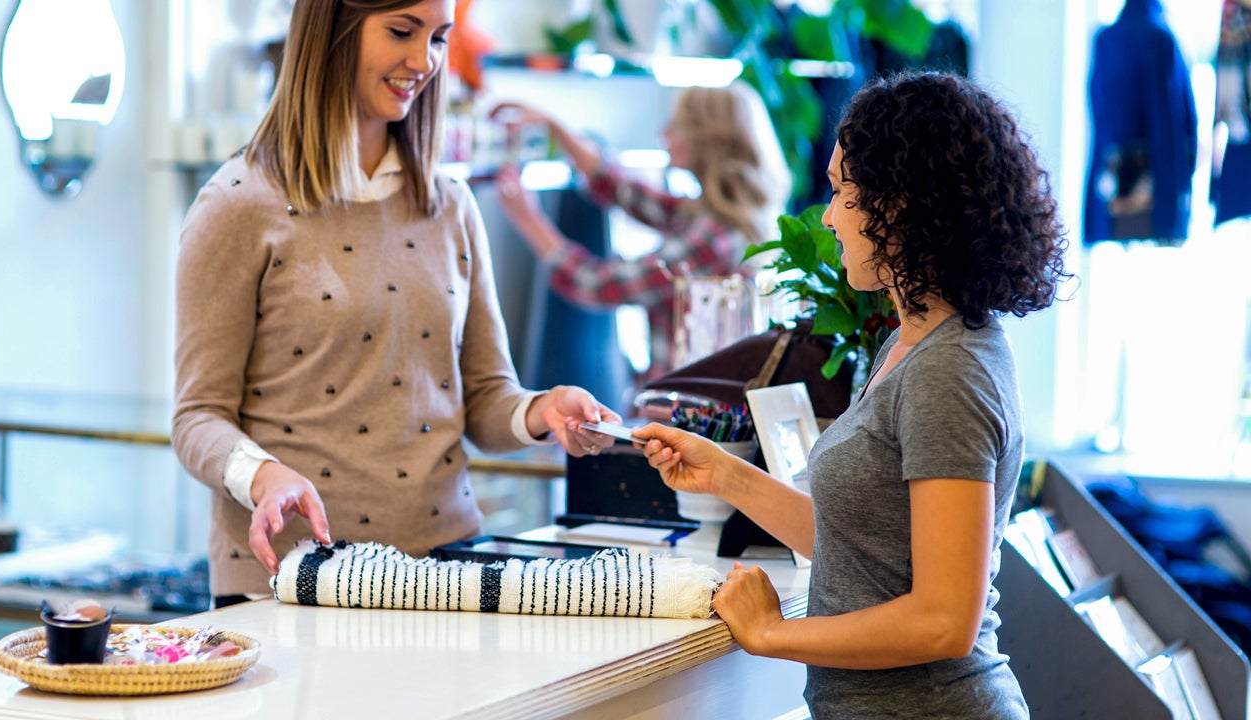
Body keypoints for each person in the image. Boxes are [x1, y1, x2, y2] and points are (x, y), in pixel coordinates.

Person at [633, 71, 1070, 718]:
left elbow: (944, 620)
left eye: (844, 193)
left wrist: (773, 634)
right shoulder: (910, 344)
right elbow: (864, 550)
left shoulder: (949, 370)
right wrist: (724, 473)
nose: (831, 217)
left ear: (902, 205)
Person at [172, 0, 617, 608]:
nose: (425, 61)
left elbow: (484, 399)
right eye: (402, 32)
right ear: (332, 31)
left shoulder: (451, 204)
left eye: (438, 38)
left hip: (447, 576)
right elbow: (197, 417)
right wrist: (264, 475)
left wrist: (542, 410)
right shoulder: (237, 204)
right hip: (295, 587)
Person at [489, 80, 792, 380]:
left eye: (676, 126)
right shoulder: (721, 219)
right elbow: (626, 190)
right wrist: (555, 127)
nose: (665, 135)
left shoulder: (714, 238)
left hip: (681, 410)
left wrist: (527, 218)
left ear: (705, 142)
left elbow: (598, 284)